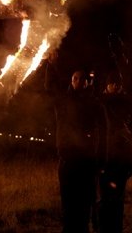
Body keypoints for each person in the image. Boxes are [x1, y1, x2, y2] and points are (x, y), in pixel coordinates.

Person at [55, 69, 105, 233]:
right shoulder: (64, 100)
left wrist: (99, 162)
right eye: (74, 78)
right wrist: (52, 66)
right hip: (67, 162)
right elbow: (50, 89)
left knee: (84, 206)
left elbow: (101, 133)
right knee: (68, 205)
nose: (77, 81)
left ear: (87, 82)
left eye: (81, 79)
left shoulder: (95, 104)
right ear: (71, 80)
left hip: (86, 163)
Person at [97, 72, 132, 233]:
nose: (115, 86)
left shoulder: (126, 103)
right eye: (112, 83)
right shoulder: (100, 102)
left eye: (117, 84)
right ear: (107, 85)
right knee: (104, 199)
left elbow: (131, 129)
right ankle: (103, 228)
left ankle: (116, 228)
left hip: (121, 160)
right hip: (104, 158)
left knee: (118, 199)